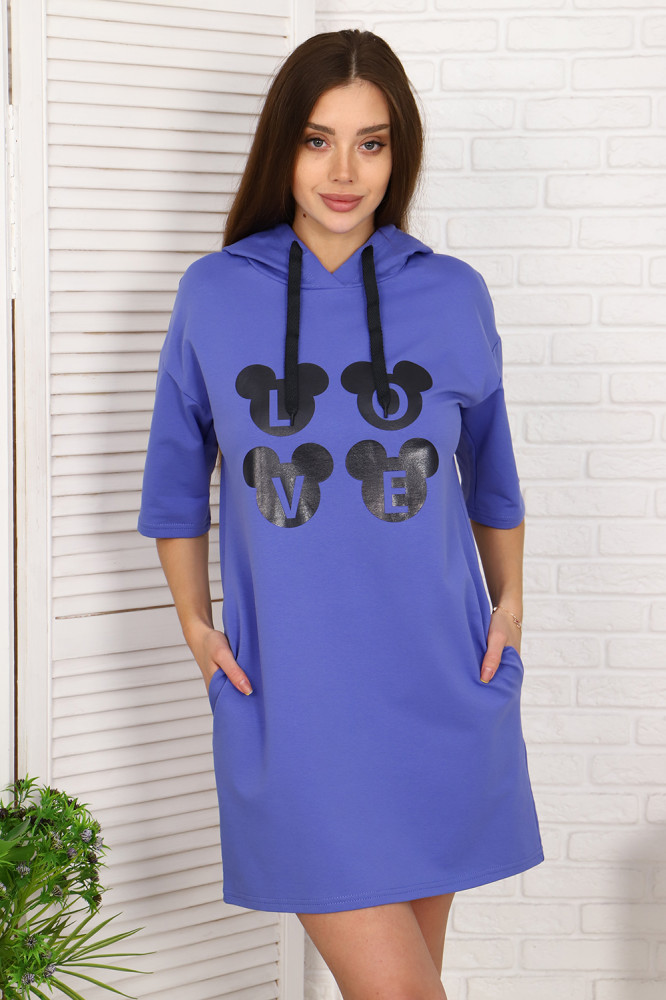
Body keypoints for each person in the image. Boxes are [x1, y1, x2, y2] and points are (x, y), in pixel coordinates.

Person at [137, 28, 544, 1000]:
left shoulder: (450, 292)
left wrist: (511, 603)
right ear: (283, 145)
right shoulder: (214, 294)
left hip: (440, 683)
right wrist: (196, 626)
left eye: (372, 143)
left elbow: (492, 478)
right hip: (293, 697)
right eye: (319, 140)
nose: (344, 172)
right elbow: (174, 487)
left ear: (400, 155)